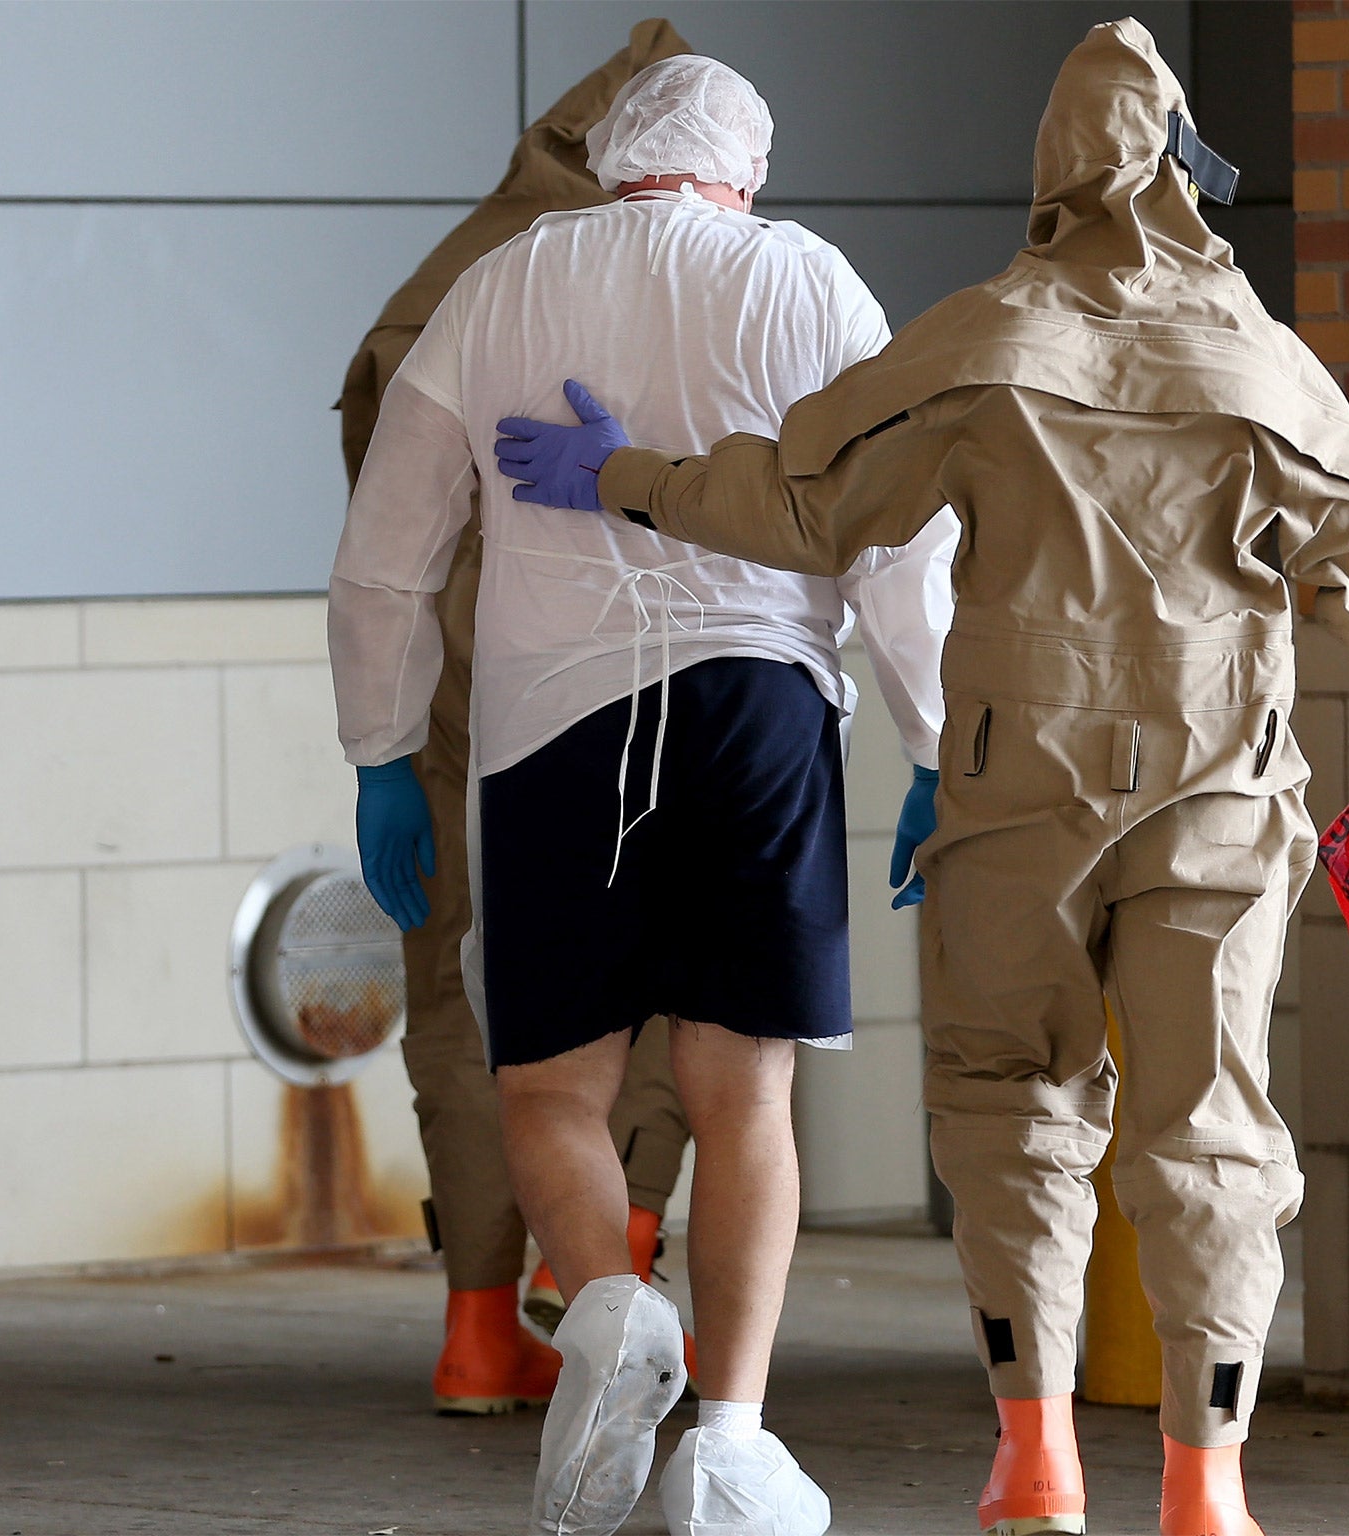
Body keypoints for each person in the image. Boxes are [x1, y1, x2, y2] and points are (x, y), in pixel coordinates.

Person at [491, 20, 1349, 1536]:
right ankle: (1208, 1487)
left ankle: (1036, 1461)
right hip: (1218, 798)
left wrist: (619, 478)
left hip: (1016, 792)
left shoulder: (983, 342)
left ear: (1050, 179)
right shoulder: (1265, 367)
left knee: (1012, 1107)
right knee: (1207, 1126)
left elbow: (803, 502)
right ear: (1188, 174)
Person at [329, 52, 956, 1536]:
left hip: (549, 723)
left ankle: (608, 1307)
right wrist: (939, 743)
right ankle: (728, 1449)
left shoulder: (501, 287)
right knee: (746, 1096)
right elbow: (896, 532)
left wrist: (377, 754)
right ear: (745, 171)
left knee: (549, 1086)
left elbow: (388, 542)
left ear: (612, 161)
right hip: (759, 708)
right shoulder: (806, 280)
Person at [335, 19, 699, 1416]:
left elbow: (378, 537)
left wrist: (377, 747)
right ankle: (616, 1277)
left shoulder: (441, 291)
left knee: (460, 999)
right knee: (671, 987)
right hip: (645, 693)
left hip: (453, 702)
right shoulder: (683, 278)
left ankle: (480, 1331)